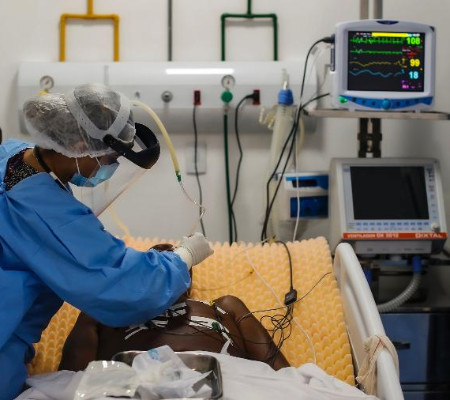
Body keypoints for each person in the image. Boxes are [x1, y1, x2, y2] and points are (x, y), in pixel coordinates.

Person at [0, 84, 213, 400]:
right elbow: (122, 284)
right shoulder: (48, 214)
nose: (110, 167)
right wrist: (184, 256)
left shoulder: (12, 155)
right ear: (77, 146)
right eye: (110, 157)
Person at [59, 247, 290, 372]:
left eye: (176, 262)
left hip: (224, 380)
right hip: (133, 382)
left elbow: (282, 373)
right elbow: (69, 380)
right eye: (156, 262)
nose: (167, 267)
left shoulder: (225, 307)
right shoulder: (105, 310)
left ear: (188, 282)